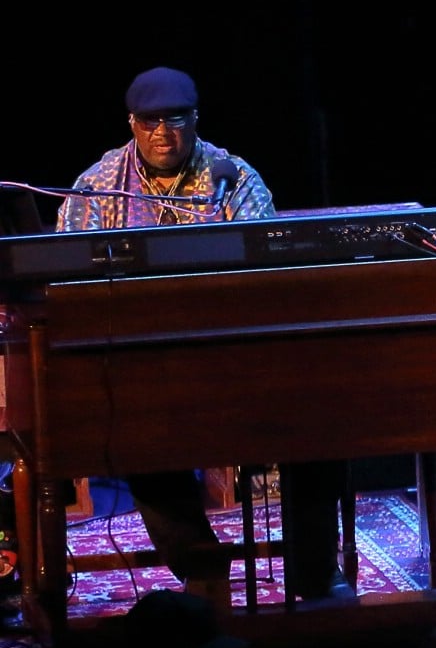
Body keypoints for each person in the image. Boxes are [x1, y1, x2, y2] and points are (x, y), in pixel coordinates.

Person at [57, 67, 348, 603]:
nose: (163, 132)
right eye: (150, 122)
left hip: (237, 363)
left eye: (176, 119)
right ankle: (201, 567)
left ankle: (314, 580)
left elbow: (269, 270)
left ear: (195, 120)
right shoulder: (97, 186)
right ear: (132, 123)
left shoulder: (232, 177)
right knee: (133, 438)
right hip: (145, 368)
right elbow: (65, 280)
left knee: (318, 428)